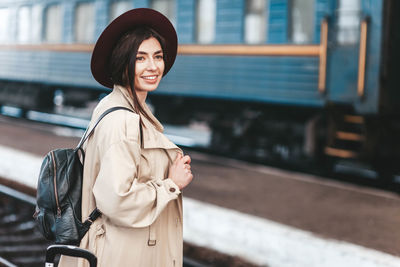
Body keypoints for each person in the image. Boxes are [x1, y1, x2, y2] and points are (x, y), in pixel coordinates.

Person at [59, 8, 193, 267]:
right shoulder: (124, 121)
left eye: (158, 56)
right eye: (140, 58)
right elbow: (116, 200)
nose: (153, 66)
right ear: (124, 62)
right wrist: (171, 184)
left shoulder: (118, 108)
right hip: (119, 255)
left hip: (123, 249)